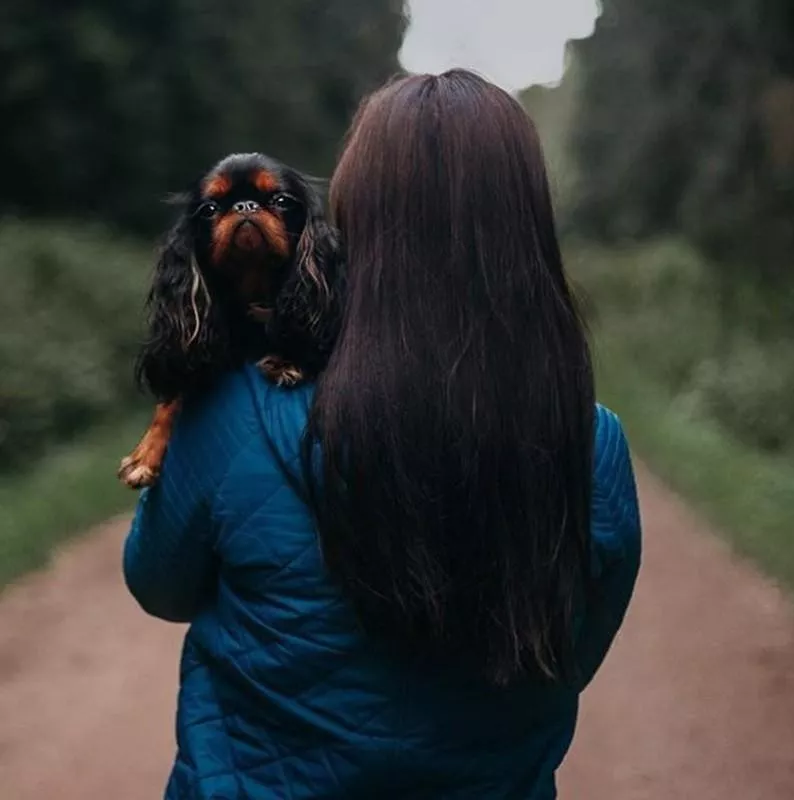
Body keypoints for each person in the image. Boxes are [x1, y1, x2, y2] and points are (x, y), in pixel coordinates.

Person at [124, 69, 641, 800]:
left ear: (345, 221)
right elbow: (573, 659)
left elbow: (158, 586)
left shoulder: (232, 414)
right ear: (529, 227)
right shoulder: (593, 448)